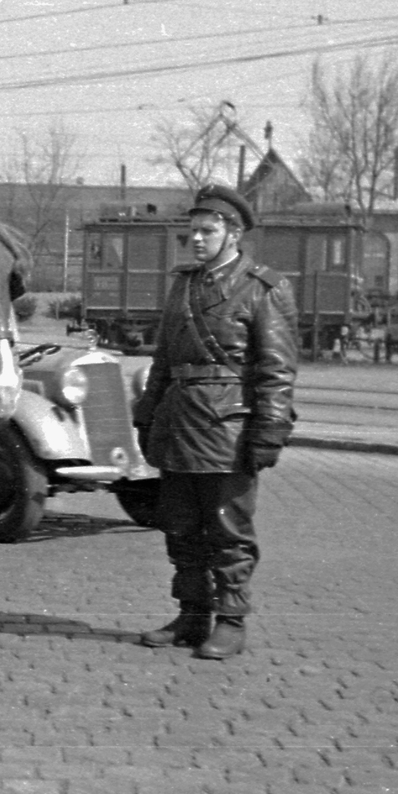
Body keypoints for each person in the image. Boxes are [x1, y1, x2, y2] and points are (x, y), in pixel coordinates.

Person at [131, 183, 298, 659]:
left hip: (229, 430)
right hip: (180, 424)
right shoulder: (184, 284)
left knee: (228, 531)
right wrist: (147, 411)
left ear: (235, 234)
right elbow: (164, 359)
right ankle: (191, 616)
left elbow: (277, 371)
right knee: (179, 528)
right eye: (193, 233)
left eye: (207, 231)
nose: (197, 240)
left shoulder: (263, 287)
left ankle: (230, 620)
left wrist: (269, 432)